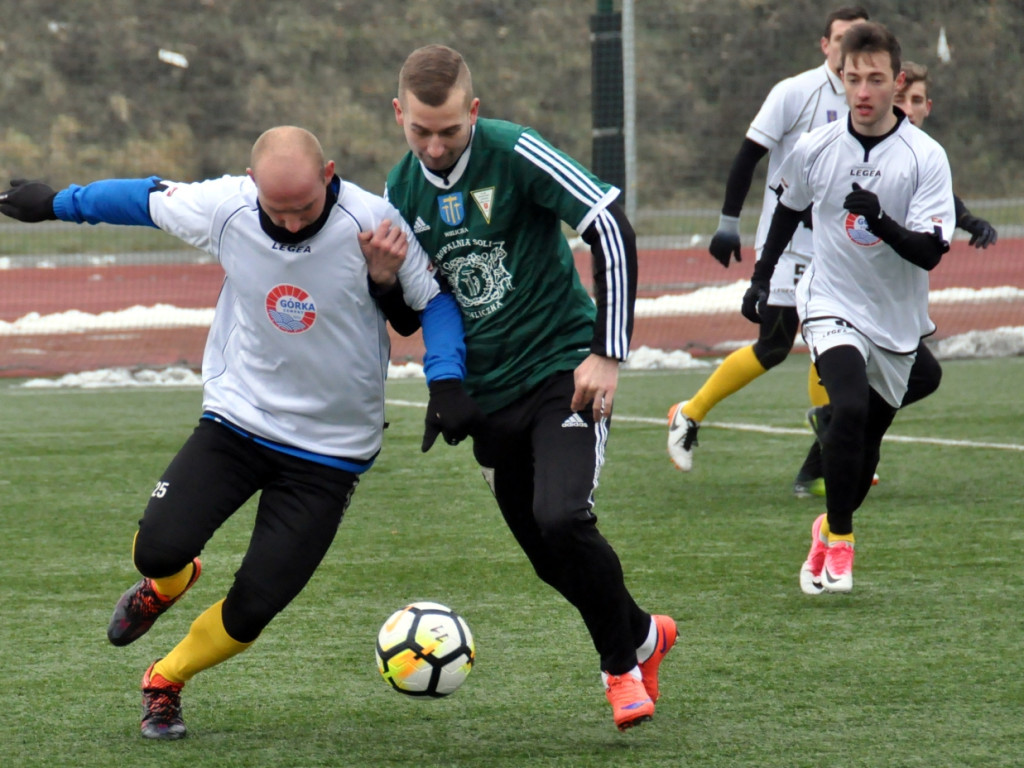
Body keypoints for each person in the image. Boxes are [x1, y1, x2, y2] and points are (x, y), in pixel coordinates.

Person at [0, 125, 482, 739]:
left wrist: (445, 382)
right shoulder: (227, 206)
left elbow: (432, 302)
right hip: (238, 420)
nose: (286, 223)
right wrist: (58, 204)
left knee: (256, 604)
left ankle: (165, 679)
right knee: (157, 550)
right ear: (251, 185)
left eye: (304, 207)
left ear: (330, 175)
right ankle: (166, 585)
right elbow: (142, 200)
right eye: (274, 211)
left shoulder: (373, 222)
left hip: (330, 453)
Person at [382, 44, 675, 732]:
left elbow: (608, 226)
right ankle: (641, 634)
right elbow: (417, 308)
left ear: (473, 113)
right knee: (548, 558)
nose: (433, 144)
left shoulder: (514, 151)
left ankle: (620, 672)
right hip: (490, 400)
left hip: (562, 370)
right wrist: (387, 289)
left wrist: (607, 352)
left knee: (562, 517)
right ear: (399, 115)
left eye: (449, 130)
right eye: (419, 130)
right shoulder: (398, 192)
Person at [744, 22, 954, 593]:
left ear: (897, 81)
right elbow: (787, 209)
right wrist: (760, 280)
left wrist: (880, 221)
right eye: (852, 78)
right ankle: (841, 542)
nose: (863, 91)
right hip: (829, 298)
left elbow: (931, 252)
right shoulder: (816, 148)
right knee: (850, 408)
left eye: (876, 79)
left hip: (896, 318)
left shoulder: (925, 157)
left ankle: (829, 526)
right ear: (841, 79)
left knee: (862, 450)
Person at [667, 6, 870, 473]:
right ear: (825, 44)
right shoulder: (795, 92)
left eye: (857, 40)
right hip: (787, 243)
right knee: (776, 344)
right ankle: (689, 412)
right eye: (840, 39)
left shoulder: (870, 101)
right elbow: (747, 156)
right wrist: (727, 222)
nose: (847, 49)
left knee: (835, 342)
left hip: (837, 247)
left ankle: (824, 457)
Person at [792, 59, 999, 498]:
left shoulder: (922, 155)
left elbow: (932, 205)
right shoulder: (848, 144)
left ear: (928, 106)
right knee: (847, 400)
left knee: (915, 381)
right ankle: (832, 499)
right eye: (904, 98)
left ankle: (832, 442)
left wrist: (966, 220)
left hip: (892, 304)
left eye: (918, 101)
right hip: (840, 295)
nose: (909, 107)